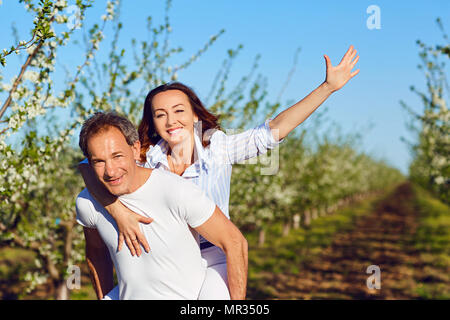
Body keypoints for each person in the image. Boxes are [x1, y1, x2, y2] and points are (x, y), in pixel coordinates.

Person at [78, 45, 360, 299]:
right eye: (160, 114)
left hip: (213, 257)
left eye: (179, 111)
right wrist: (118, 211)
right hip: (168, 263)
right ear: (152, 121)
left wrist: (327, 87)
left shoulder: (218, 148)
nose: (171, 120)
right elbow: (89, 169)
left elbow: (274, 130)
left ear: (195, 115)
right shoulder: (145, 157)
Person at [75, 112, 248, 300]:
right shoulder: (87, 203)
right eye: (99, 161)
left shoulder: (175, 190)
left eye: (117, 156)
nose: (110, 171)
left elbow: (235, 242)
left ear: (135, 149)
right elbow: (97, 253)